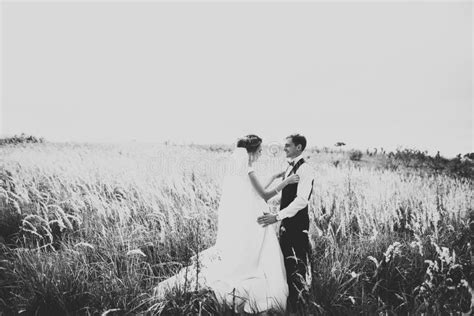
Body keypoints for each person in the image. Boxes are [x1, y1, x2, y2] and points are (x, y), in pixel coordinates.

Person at [154, 134, 299, 314]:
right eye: (260, 151)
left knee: (254, 253)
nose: (261, 154)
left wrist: (274, 176)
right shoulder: (248, 170)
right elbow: (264, 195)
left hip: (253, 216)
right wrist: (286, 182)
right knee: (261, 256)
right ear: (251, 152)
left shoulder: (242, 170)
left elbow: (255, 190)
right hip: (257, 220)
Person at [257, 134, 315, 315]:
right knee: (286, 265)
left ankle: (302, 306)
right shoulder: (288, 168)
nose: (284, 149)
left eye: (288, 146)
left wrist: (277, 216)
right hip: (286, 225)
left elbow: (301, 201)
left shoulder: (306, 170)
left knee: (299, 265)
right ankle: (290, 305)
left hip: (297, 226)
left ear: (299, 147)